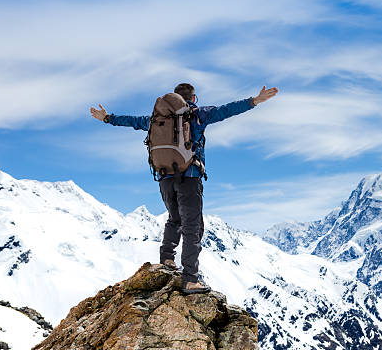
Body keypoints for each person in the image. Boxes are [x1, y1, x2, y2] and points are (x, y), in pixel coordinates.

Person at [90, 84, 278, 293]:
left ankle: (167, 259)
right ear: (193, 98)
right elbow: (227, 110)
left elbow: (133, 122)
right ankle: (190, 279)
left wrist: (107, 118)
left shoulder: (157, 118)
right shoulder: (197, 115)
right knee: (192, 227)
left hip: (163, 177)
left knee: (175, 218)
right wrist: (255, 100)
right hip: (189, 177)